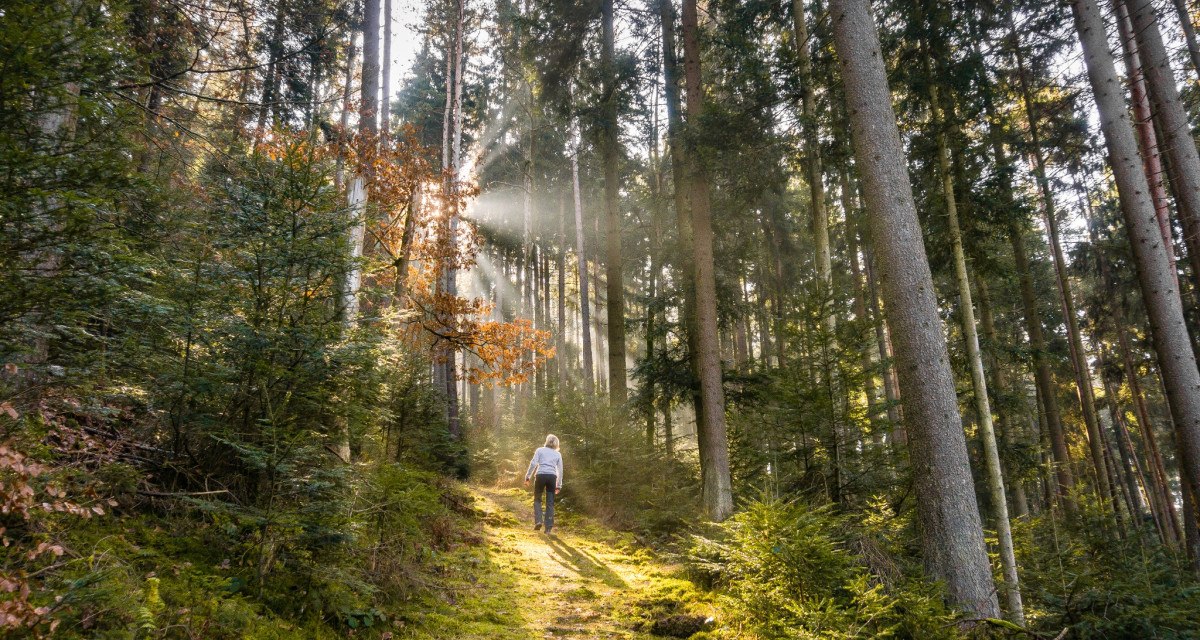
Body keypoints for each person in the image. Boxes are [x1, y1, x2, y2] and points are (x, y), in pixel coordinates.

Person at [524, 434, 562, 535]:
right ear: (556, 443)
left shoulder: (540, 450)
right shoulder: (558, 454)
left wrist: (527, 477)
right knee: (550, 502)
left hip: (540, 476)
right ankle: (548, 528)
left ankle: (538, 521)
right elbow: (560, 470)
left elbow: (533, 463)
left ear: (547, 441)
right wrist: (559, 485)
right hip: (552, 478)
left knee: (537, 499)